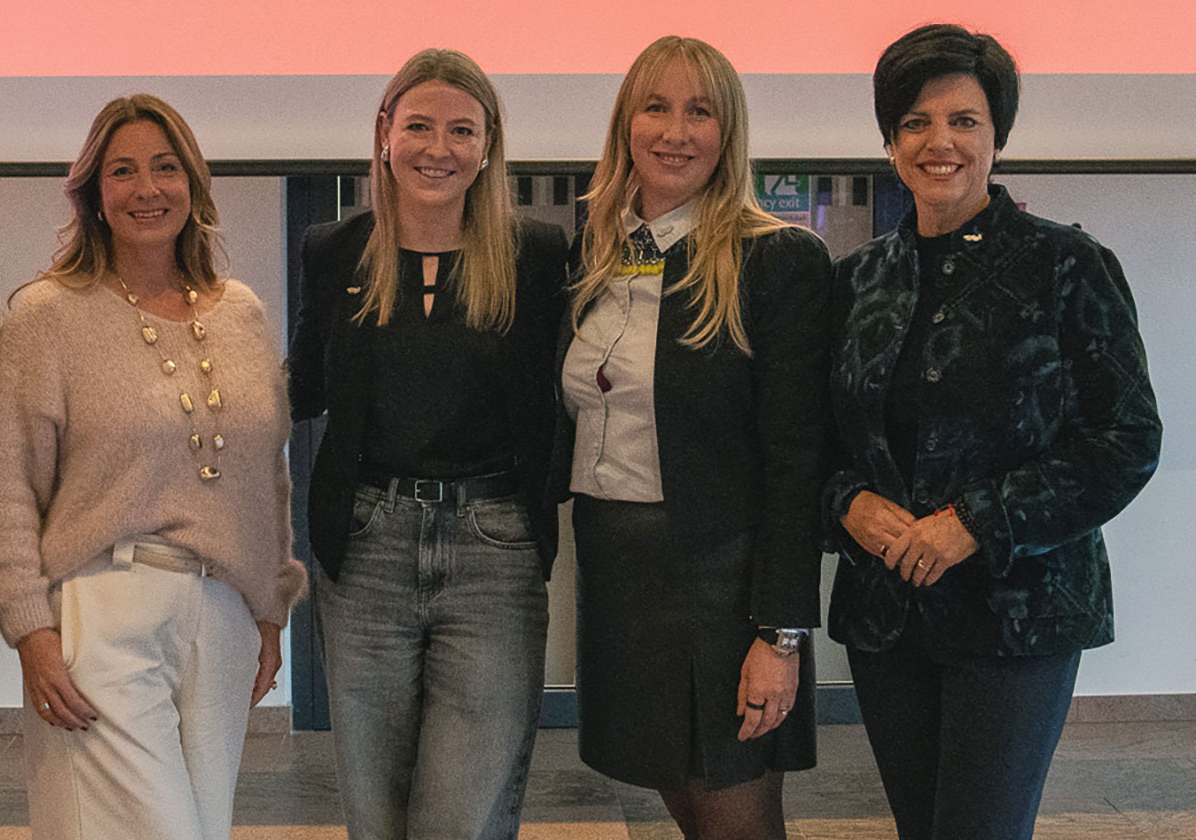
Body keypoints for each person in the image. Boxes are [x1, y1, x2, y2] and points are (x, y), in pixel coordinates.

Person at [826, 23, 1161, 840]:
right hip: (887, 618)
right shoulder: (853, 284)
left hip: (1020, 618)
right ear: (890, 140)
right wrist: (845, 504)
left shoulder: (1068, 265)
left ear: (997, 136)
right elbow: (814, 443)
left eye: (963, 121)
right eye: (915, 122)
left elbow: (1125, 439)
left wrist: (979, 522)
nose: (939, 141)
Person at [0, 93, 306, 840]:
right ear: (93, 192)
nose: (147, 189)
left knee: (202, 829)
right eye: (122, 171)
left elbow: (266, 479)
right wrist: (30, 629)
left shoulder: (240, 312)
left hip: (222, 618)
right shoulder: (47, 316)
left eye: (164, 167)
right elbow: (3, 488)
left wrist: (270, 610)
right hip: (104, 608)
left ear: (194, 183)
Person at [286, 48, 568, 840]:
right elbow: (302, 387)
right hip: (367, 545)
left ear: (487, 146)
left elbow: (603, 354)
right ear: (384, 133)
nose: (437, 148)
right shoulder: (334, 250)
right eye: (418, 125)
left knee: (458, 816)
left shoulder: (540, 255)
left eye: (460, 130)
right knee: (375, 815)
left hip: (496, 549)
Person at [555, 36, 830, 840]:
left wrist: (779, 633)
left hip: (720, 583)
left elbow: (794, 463)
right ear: (625, 125)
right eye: (657, 106)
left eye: (700, 111)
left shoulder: (776, 260)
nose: (676, 131)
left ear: (728, 132)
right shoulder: (590, 254)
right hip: (615, 567)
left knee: (735, 815)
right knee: (682, 803)